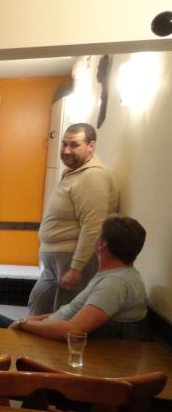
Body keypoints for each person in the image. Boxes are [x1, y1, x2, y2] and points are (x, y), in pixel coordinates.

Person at [0, 216, 148, 341]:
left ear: (101, 245)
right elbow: (70, 311)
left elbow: (73, 331)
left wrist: (24, 325)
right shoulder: (118, 276)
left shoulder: (114, 285)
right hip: (45, 331)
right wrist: (30, 320)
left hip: (48, 343)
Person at [28, 123, 119, 315]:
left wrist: (76, 268)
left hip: (71, 260)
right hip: (54, 262)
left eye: (74, 145)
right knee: (38, 304)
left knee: (62, 317)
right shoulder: (73, 173)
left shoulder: (93, 176)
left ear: (91, 146)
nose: (66, 150)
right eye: (64, 144)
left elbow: (93, 226)